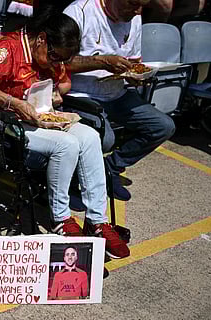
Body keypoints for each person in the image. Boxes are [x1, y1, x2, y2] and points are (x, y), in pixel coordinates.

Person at [0, 7, 130, 259]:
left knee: (90, 137)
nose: (57, 63)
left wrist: (56, 92)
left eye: (62, 59)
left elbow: (64, 82)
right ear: (40, 39)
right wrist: (15, 103)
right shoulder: (10, 49)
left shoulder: (53, 55)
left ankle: (97, 221)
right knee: (67, 145)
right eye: (54, 57)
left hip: (40, 117)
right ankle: (60, 218)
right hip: (7, 120)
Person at [64, 0, 176, 201]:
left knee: (163, 126)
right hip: (80, 94)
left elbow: (134, 61)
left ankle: (110, 168)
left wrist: (137, 76)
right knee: (106, 139)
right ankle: (71, 180)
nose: (138, 11)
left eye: (142, 6)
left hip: (117, 93)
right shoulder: (79, 11)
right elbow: (60, 61)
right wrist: (101, 61)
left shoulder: (134, 17)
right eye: (133, 4)